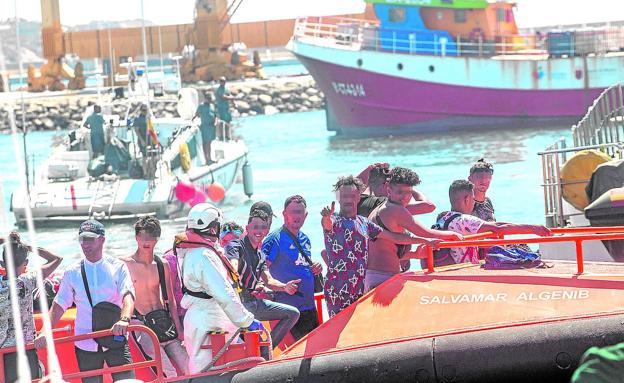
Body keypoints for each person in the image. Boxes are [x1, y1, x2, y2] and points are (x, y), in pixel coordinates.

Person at [321, 176, 442, 317]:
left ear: (359, 197)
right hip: (338, 288)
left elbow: (394, 237)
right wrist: (326, 217)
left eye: (352, 195)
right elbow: (327, 225)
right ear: (339, 198)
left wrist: (426, 240)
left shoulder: (364, 223)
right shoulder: (335, 220)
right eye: (344, 196)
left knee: (359, 329)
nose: (349, 199)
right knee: (339, 331)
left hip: (360, 287)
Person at [35, 220, 136, 383]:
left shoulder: (118, 266)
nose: (85, 244)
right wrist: (45, 331)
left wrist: (124, 320)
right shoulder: (72, 271)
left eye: (90, 239)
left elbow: (128, 296)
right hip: (85, 342)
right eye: (82, 239)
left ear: (102, 239)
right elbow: (59, 304)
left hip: (115, 338)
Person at [180, 203, 260, 373]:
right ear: (212, 228)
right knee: (206, 370)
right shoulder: (204, 255)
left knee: (207, 367)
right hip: (208, 322)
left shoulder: (195, 252)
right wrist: (247, 320)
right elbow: (224, 293)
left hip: (209, 320)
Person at [366, 167, 462, 291]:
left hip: (374, 275)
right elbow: (425, 233)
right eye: (400, 192)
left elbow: (386, 248)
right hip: (384, 278)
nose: (405, 197)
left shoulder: (383, 207)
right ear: (388, 189)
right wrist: (452, 234)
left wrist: (415, 254)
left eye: (409, 192)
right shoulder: (396, 210)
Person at [121, 217, 188, 377]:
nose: (146, 241)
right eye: (143, 237)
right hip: (142, 324)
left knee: (188, 366)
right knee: (168, 372)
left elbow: (170, 300)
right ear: (136, 237)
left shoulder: (161, 264)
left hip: (164, 323)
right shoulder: (125, 264)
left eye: (151, 237)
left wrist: (179, 330)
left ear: (157, 239)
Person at [225, 209, 300, 349]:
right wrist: (235, 273)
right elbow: (232, 265)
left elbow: (269, 280)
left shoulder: (260, 255)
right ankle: (261, 352)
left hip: (254, 303)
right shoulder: (235, 246)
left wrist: (285, 287)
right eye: (255, 227)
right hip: (239, 305)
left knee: (293, 313)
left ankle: (266, 350)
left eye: (263, 227)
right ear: (247, 228)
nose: (259, 231)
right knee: (254, 337)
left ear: (267, 231)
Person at [437, 180, 552, 264]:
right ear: (467, 199)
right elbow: (498, 227)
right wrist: (533, 228)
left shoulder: (443, 218)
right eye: (473, 198)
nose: (474, 202)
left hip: (448, 269)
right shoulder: (464, 221)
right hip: (464, 271)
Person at [1, 233, 62, 383]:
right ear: (26, 262)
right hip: (26, 348)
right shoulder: (29, 281)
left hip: (2, 352)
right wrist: (25, 246)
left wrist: (6, 240)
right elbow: (56, 259)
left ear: (2, 264)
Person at [262, 195, 324, 340]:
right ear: (284, 214)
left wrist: (316, 267)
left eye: (300, 212)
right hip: (288, 311)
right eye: (293, 212)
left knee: (314, 352)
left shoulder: (305, 239)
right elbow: (261, 271)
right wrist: (283, 287)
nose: (297, 216)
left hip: (309, 307)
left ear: (306, 215)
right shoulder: (274, 239)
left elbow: (300, 263)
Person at [357, 163, 437, 218]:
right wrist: (408, 187)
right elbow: (429, 206)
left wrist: (369, 168)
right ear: (386, 185)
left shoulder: (355, 200)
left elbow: (350, 183)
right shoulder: (385, 206)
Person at [194, 93, 217, 164]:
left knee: (209, 143)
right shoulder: (201, 106)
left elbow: (216, 116)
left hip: (211, 127)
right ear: (205, 99)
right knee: (205, 143)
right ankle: (207, 159)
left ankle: (209, 158)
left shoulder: (212, 106)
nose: (210, 100)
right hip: (205, 126)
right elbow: (196, 114)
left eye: (210, 99)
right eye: (208, 99)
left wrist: (215, 122)